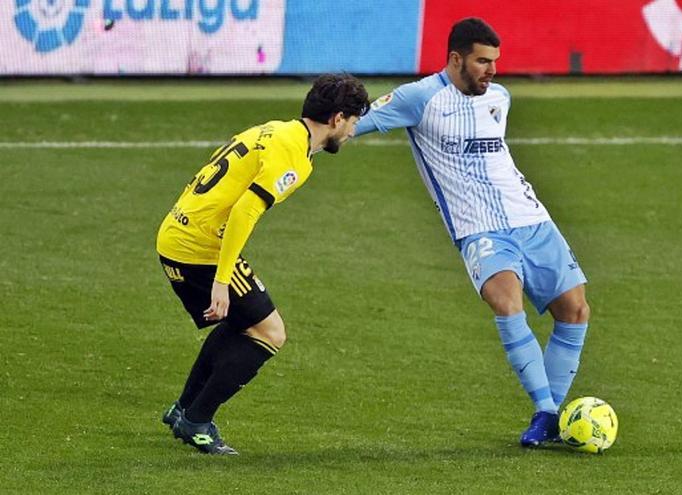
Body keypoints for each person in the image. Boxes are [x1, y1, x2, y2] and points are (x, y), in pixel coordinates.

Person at [354, 18, 590, 447]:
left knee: (575, 310)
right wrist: (306, 139)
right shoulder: (419, 98)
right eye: (482, 61)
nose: (492, 71)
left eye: (495, 61)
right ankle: (546, 411)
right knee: (506, 300)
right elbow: (355, 122)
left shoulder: (500, 97)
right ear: (456, 58)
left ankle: (549, 421)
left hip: (533, 219)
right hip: (479, 229)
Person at [156, 74, 369, 455]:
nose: (354, 132)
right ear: (337, 119)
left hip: (176, 233)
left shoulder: (278, 131)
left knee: (245, 322)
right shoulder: (294, 159)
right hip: (199, 247)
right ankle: (197, 420)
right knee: (270, 332)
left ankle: (184, 409)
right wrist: (222, 280)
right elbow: (244, 212)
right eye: (353, 122)